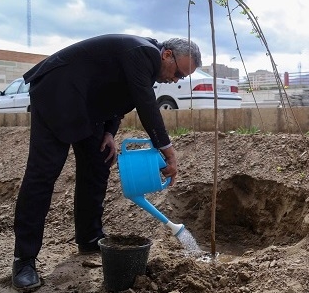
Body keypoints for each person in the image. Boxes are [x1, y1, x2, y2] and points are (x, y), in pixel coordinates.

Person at [11, 34, 202, 291]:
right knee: (43, 173)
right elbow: (145, 103)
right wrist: (168, 150)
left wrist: (109, 132)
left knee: (99, 161)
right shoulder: (143, 53)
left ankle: (89, 238)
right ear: (167, 54)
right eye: (179, 73)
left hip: (87, 105)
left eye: (183, 78)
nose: (175, 80)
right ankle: (24, 260)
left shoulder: (144, 63)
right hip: (58, 93)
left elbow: (120, 96)